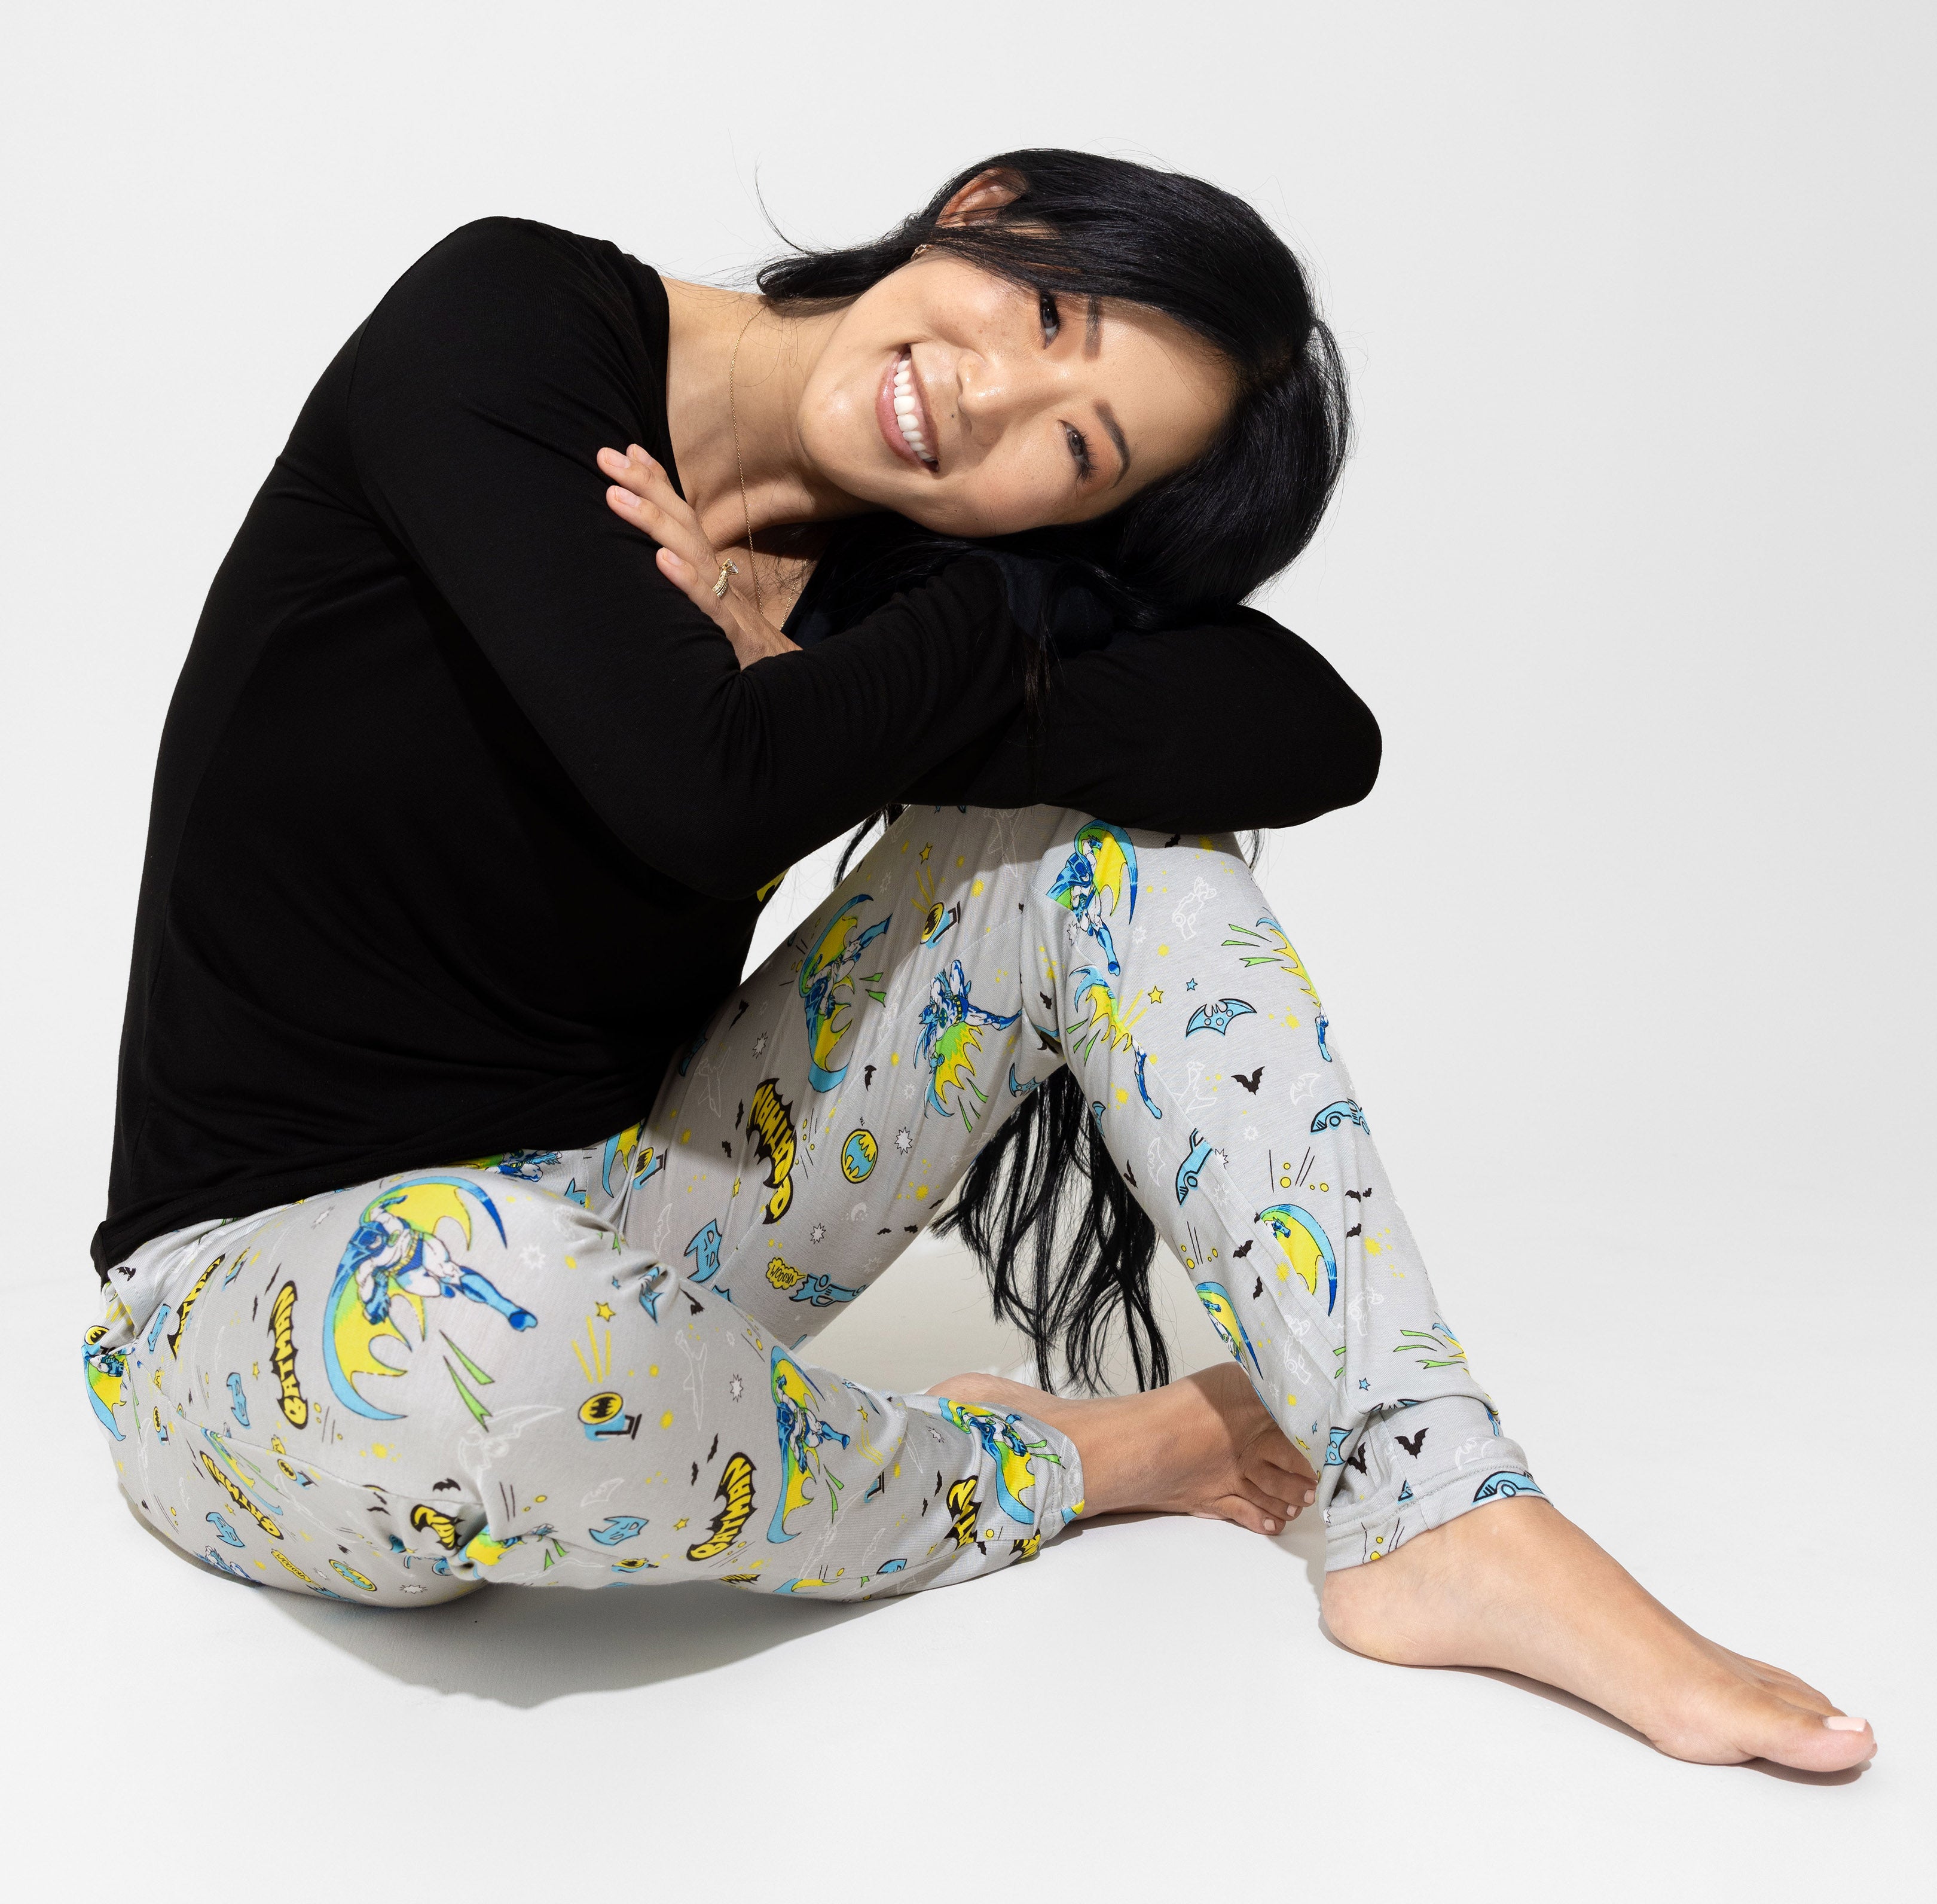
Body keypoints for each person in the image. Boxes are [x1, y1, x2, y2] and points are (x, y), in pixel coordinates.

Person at [84, 149, 1872, 1772]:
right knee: (491, 1305)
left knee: (1094, 854)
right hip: (273, 1314)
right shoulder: (509, 323)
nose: (986, 394)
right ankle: (1073, 1458)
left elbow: (1313, 732)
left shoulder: (904, 573)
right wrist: (898, 672)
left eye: (1076, 456)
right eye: (1047, 311)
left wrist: (933, 643)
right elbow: (701, 795)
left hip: (642, 1221)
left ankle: (1439, 1505)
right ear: (987, 204)